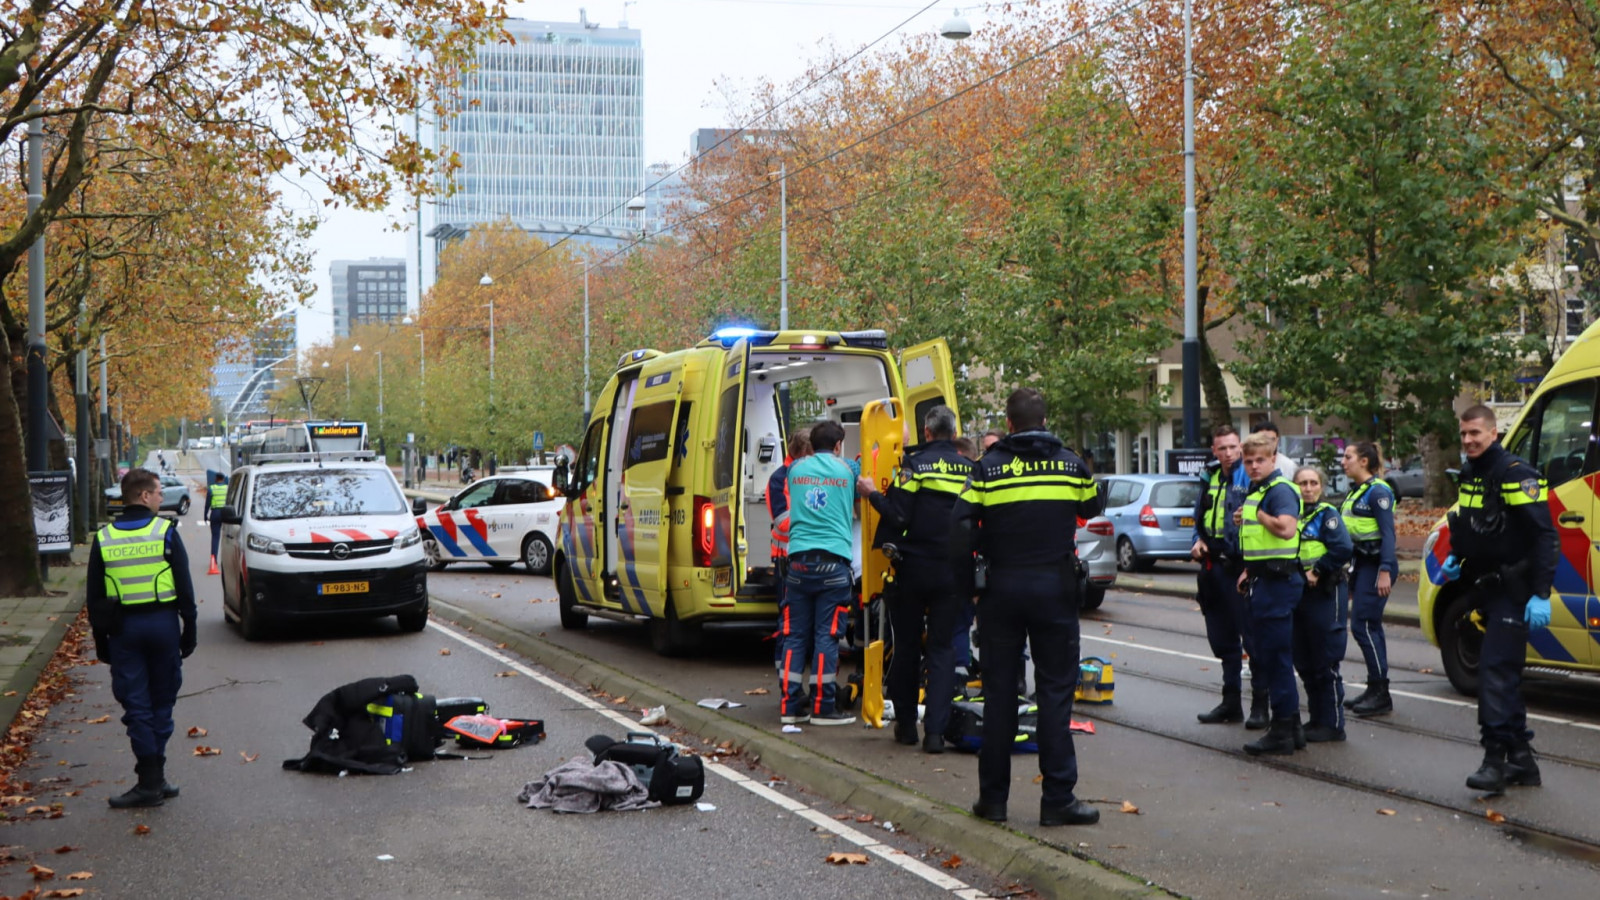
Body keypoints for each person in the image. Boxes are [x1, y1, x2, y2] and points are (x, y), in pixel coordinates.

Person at [950, 388, 1103, 826]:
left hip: (1002, 589)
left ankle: (993, 802)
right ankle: (1057, 799)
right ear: (1045, 419)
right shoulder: (1072, 464)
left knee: (1000, 695)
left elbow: (959, 526)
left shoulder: (987, 469)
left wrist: (970, 583)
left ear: (1010, 424)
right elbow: (1093, 507)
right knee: (1055, 695)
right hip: (1054, 588)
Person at [1434, 405, 1557, 792]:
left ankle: (1495, 759)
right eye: (1464, 434)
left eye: (1476, 433)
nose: (1469, 440)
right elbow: (1474, 523)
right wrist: (1458, 555)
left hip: (1513, 589)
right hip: (1483, 585)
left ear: (1493, 433)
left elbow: (1544, 536)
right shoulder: (1472, 472)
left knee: (1493, 673)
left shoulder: (1514, 473)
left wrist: (1540, 594)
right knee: (1500, 675)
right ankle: (1522, 761)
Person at [858, 405, 973, 754]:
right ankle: (935, 735)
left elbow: (898, 513)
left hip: (913, 569)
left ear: (926, 432)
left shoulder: (914, 465)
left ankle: (906, 726)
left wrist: (871, 493)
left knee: (906, 646)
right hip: (952, 572)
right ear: (953, 434)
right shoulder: (970, 469)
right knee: (941, 650)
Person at [87, 468, 197, 808]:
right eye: (159, 492)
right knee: (162, 700)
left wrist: (101, 640)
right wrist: (188, 628)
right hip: (163, 625)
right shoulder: (165, 531)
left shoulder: (104, 539)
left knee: (136, 705)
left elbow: (94, 597)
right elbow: (184, 584)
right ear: (144, 495)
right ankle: (155, 779)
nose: (162, 497)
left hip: (124, 630)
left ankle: (149, 781)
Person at [778, 420, 862, 727]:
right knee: (827, 636)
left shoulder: (796, 470)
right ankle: (824, 706)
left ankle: (789, 704)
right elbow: (857, 507)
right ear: (839, 445)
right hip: (833, 564)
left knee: (795, 636)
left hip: (798, 563)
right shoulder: (848, 471)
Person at [1234, 431, 1304, 755]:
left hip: (1278, 585)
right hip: (1264, 581)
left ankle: (1282, 731)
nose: (1253, 466)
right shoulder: (1257, 491)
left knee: (1276, 660)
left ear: (1273, 459)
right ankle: (1292, 730)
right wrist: (1249, 570)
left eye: (1260, 460)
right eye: (1248, 461)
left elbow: (1286, 528)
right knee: (1273, 657)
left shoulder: (1278, 490)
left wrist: (1259, 515)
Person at [1189, 425, 1263, 727]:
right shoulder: (1210, 477)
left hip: (1239, 568)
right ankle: (1231, 702)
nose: (1229, 453)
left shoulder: (1250, 476)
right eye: (1223, 448)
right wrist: (1196, 540)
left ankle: (1261, 705)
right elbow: (1199, 517)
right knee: (1222, 640)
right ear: (1214, 451)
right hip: (1212, 567)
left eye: (1234, 447)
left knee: (1253, 640)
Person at [1292, 465, 1353, 742]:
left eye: (1313, 483)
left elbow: (1342, 548)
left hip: (1326, 591)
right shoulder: (1291, 514)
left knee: (1326, 658)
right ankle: (1316, 719)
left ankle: (1333, 724)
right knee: (1305, 659)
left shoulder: (1327, 515)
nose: (1308, 488)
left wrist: (1317, 570)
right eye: (1302, 483)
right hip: (1300, 594)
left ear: (1321, 487)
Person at [1340, 441, 1399, 716]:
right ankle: (1375, 687)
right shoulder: (1359, 491)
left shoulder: (1378, 492)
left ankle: (1381, 692)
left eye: (1348, 456)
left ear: (1364, 461)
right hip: (1363, 565)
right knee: (1368, 625)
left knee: (1363, 625)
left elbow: (1388, 534)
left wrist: (1385, 570)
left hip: (1377, 566)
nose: (1343, 461)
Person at [203, 472, 228, 569]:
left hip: (215, 513)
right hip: (226, 513)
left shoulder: (211, 488)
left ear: (216, 478)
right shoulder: (227, 488)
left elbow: (207, 504)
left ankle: (214, 560)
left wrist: (205, 515)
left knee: (215, 537)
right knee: (228, 537)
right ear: (223, 479)